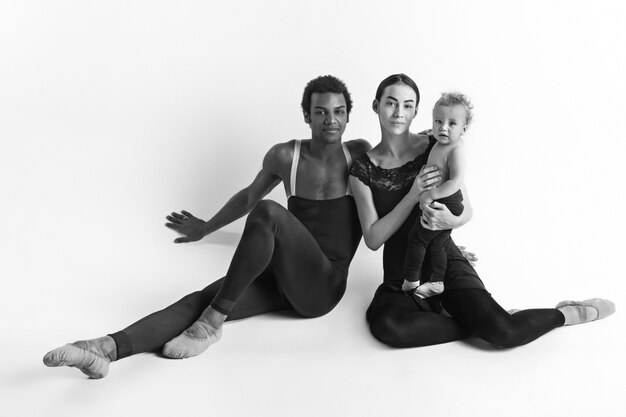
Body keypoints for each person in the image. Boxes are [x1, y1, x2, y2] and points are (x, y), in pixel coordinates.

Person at [43, 75, 371, 378]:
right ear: (307, 116)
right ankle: (103, 349)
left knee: (269, 213)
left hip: (324, 287)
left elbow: (397, 169)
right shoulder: (286, 155)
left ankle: (213, 324)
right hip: (284, 277)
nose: (331, 120)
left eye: (339, 112)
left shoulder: (359, 153)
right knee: (201, 299)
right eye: (322, 112)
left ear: (348, 115)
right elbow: (248, 197)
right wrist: (205, 229)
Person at [349, 73, 615, 349]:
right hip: (402, 273)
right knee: (388, 328)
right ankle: (473, 323)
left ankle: (570, 312)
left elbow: (466, 210)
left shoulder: (436, 144)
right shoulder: (362, 169)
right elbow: (372, 238)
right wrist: (413, 194)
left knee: (504, 334)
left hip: (444, 261)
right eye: (391, 104)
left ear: (417, 110)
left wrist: (451, 220)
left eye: (407, 105)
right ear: (376, 105)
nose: (398, 113)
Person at [401, 92, 472, 299]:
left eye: (452, 123)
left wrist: (430, 194)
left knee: (417, 238)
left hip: (445, 200)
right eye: (438, 121)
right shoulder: (438, 142)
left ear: (463, 129)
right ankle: (437, 281)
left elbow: (456, 181)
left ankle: (411, 280)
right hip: (443, 199)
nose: (443, 127)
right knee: (438, 244)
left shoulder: (456, 148)